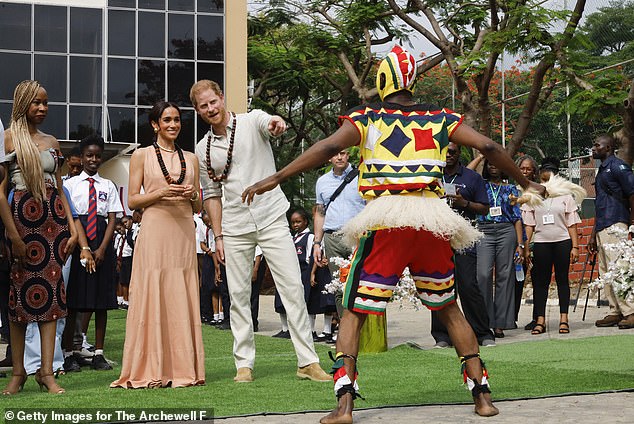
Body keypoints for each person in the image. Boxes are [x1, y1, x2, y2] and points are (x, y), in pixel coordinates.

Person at [242, 46, 545, 421]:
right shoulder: (440, 118)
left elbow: (329, 146)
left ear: (383, 82)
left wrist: (276, 177)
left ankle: (344, 406)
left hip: (387, 220)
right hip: (432, 222)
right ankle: (482, 397)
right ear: (412, 81)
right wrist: (527, 182)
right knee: (448, 307)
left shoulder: (367, 117)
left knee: (353, 310)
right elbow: (489, 146)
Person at [191, 79, 330, 383]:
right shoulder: (203, 149)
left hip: (271, 217)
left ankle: (307, 361)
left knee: (293, 286)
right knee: (238, 294)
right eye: (204, 106)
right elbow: (212, 194)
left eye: (213, 101)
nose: (211, 109)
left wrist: (277, 123)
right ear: (198, 111)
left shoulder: (252, 120)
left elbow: (271, 122)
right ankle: (244, 364)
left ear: (222, 97)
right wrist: (218, 236)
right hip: (234, 226)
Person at [111, 101, 205, 388]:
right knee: (153, 291)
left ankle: (183, 368)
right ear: (155, 125)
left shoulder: (191, 158)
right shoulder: (141, 155)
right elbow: (132, 200)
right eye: (167, 120)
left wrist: (191, 195)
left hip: (182, 233)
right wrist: (161, 192)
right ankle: (148, 367)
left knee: (181, 293)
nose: (173, 125)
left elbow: (199, 204)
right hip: (154, 230)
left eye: (177, 119)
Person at [0, 80, 77, 394]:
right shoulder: (7, 139)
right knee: (19, 298)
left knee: (52, 297)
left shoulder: (52, 141)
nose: (43, 109)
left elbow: (60, 188)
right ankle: (18, 372)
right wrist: (13, 235)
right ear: (23, 104)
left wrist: (72, 230)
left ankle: (46, 372)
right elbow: (0, 192)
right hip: (22, 224)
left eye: (46, 103)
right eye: (36, 103)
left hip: (54, 226)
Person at [62, 134, 123, 371]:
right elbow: (73, 219)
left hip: (101, 244)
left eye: (98, 156)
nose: (93, 160)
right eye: (89, 155)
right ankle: (69, 352)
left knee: (101, 301)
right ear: (81, 157)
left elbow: (111, 219)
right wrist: (84, 248)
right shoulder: (70, 185)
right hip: (79, 243)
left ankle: (98, 352)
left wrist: (102, 249)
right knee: (75, 301)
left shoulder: (108, 186)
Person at [430, 142, 495, 348]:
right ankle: (442, 336)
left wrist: (464, 203)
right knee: (440, 285)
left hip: (462, 236)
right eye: (444, 152)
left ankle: (483, 333)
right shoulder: (430, 176)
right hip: (437, 237)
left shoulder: (471, 177)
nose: (448, 155)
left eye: (452, 152)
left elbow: (484, 209)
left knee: (468, 285)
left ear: (459, 154)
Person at [521, 158, 582, 335]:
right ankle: (540, 320)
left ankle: (564, 318)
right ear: (539, 174)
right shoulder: (533, 195)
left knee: (562, 280)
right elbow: (529, 225)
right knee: (541, 282)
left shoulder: (565, 195)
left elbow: (572, 223)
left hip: (562, 242)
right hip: (541, 243)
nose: (548, 174)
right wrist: (526, 246)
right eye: (545, 170)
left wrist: (575, 247)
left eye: (552, 171)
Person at [313, 150, 365, 330]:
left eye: (343, 153)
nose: (339, 157)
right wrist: (317, 243)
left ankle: (363, 330)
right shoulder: (322, 182)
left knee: (361, 283)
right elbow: (320, 213)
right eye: (335, 154)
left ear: (348, 155)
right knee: (338, 285)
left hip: (356, 236)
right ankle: (346, 329)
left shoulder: (362, 177)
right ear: (329, 158)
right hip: (332, 237)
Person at [589, 134, 634, 329]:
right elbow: (600, 204)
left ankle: (630, 311)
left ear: (607, 148)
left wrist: (632, 224)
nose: (593, 148)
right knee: (606, 272)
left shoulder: (618, 166)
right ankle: (615, 310)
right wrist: (592, 235)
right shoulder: (601, 170)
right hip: (602, 225)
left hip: (617, 223)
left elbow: (632, 192)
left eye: (597, 145)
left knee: (619, 268)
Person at [476, 159, 524, 339]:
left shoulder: (510, 189)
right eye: (490, 163)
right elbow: (467, 171)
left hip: (506, 231)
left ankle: (500, 324)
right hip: (484, 231)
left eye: (496, 163)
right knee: (483, 275)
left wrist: (520, 245)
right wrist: (482, 156)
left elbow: (517, 217)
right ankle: (485, 322)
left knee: (505, 276)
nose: (493, 165)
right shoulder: (480, 185)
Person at [514, 155, 539, 330]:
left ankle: (538, 318)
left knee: (538, 280)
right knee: (515, 280)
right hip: (515, 242)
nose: (525, 171)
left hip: (536, 241)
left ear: (534, 171)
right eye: (522, 168)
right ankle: (510, 317)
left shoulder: (538, 191)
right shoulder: (512, 189)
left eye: (528, 169)